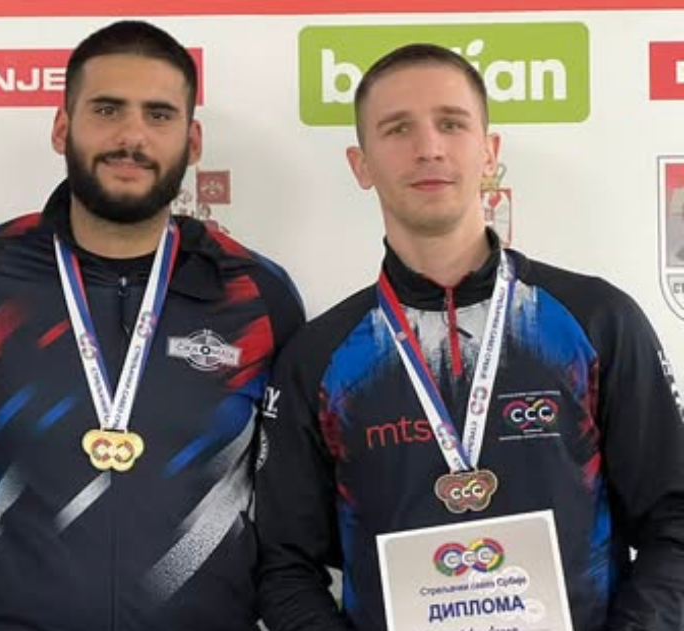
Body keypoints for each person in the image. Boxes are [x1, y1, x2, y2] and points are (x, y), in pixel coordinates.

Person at [255, 43, 684, 631]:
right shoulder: (319, 358)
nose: (428, 147)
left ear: (489, 152)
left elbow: (673, 521)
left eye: (452, 123)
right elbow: (283, 566)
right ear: (361, 165)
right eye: (397, 128)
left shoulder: (596, 321)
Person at [0, 20, 305, 631]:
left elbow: (293, 504)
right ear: (62, 127)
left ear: (192, 141)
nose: (131, 136)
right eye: (107, 109)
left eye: (159, 115)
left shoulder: (256, 295)